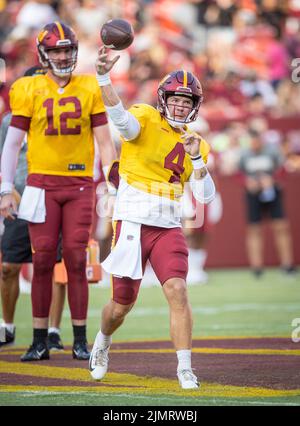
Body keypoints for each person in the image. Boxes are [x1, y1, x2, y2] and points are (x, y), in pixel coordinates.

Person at [89, 46, 216, 390]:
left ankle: (185, 368)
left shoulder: (196, 143)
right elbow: (120, 119)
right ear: (163, 99)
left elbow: (205, 196)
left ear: (194, 107)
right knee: (120, 306)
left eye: (187, 102)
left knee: (177, 290)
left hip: (168, 226)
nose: (180, 105)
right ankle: (102, 341)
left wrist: (199, 161)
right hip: (131, 221)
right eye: (175, 99)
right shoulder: (144, 116)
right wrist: (103, 76)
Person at [0, 22, 116, 361]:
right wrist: (6, 188)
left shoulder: (90, 86)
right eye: (56, 50)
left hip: (79, 184)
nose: (63, 56)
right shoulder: (27, 88)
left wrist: (109, 184)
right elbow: (11, 145)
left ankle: (79, 338)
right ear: (43, 54)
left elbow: (105, 141)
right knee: (42, 260)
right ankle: (38, 339)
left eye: (67, 50)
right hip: (40, 184)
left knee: (77, 260)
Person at [239, 128, 295, 277]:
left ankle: (287, 264)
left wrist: (272, 180)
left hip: (272, 192)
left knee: (281, 226)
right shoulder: (244, 154)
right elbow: (238, 174)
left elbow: (283, 169)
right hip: (253, 194)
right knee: (254, 229)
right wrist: (247, 182)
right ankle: (256, 267)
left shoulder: (272, 151)